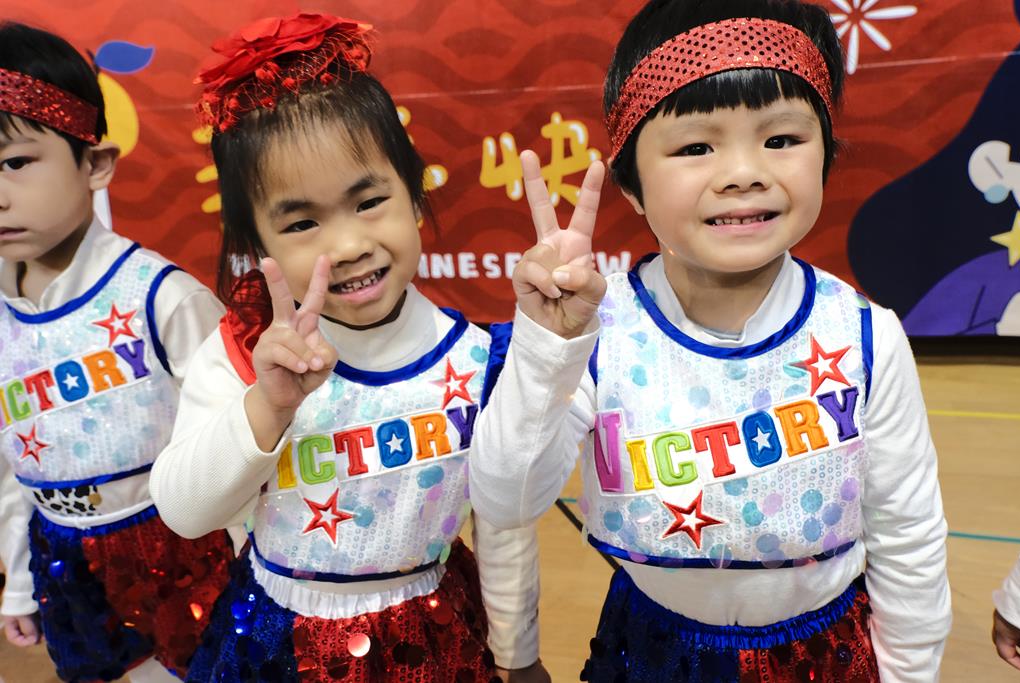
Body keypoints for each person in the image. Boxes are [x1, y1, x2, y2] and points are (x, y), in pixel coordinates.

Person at [468, 0, 952, 680]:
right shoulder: (598, 332)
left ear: (826, 154)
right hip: (651, 651)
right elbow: (506, 499)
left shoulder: (867, 336)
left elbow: (909, 538)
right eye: (697, 147)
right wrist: (548, 348)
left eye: (781, 139)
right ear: (632, 184)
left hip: (822, 654)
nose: (743, 172)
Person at [149, 12, 546, 682]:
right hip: (276, 644)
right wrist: (268, 407)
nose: (348, 245)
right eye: (302, 222)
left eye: (367, 202)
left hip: (431, 638)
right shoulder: (245, 354)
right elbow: (186, 511)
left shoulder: (478, 359)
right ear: (257, 243)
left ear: (413, 192)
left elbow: (504, 523)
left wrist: (519, 653)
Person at [0, 20, 234, 682]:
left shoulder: (162, 298)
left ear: (95, 164)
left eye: (15, 163)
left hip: (178, 552)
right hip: (60, 560)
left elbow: (238, 444)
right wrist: (19, 582)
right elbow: (11, 466)